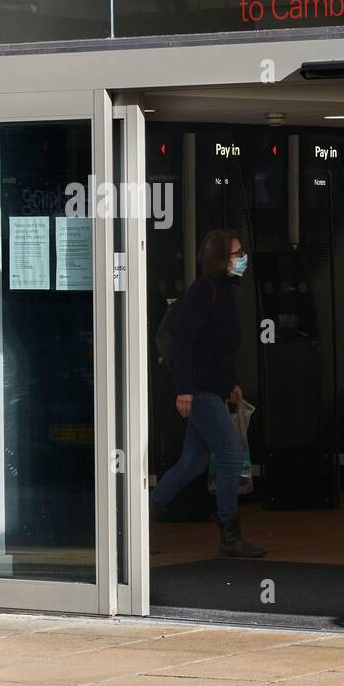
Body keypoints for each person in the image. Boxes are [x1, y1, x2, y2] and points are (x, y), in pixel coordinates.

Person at [150, 228, 265, 558]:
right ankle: (230, 534)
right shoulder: (205, 291)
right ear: (221, 259)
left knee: (193, 462)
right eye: (236, 254)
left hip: (211, 389)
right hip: (199, 391)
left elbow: (219, 349)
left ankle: (136, 521)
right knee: (229, 455)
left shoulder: (226, 291)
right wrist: (184, 389)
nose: (243, 259)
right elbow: (185, 342)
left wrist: (230, 383)